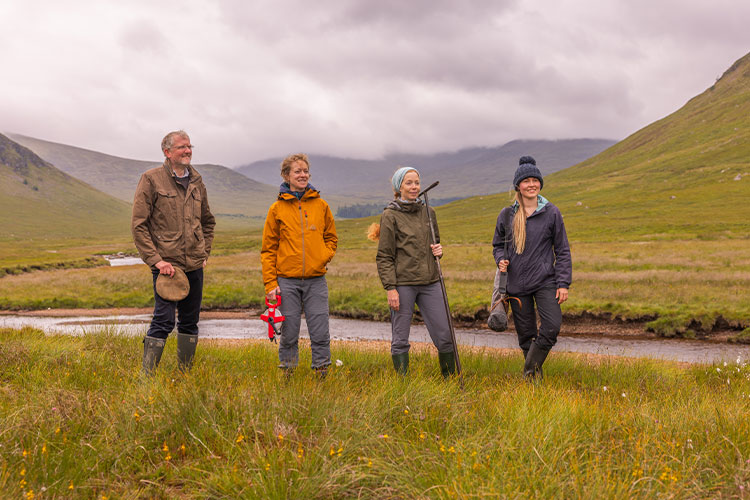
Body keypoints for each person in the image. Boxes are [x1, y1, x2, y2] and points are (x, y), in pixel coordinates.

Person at [132, 130, 215, 375]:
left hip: (194, 266)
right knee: (164, 321)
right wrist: (157, 261)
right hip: (167, 267)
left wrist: (204, 253)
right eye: (182, 147)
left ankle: (184, 375)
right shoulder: (151, 179)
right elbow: (139, 225)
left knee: (190, 322)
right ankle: (146, 377)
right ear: (167, 152)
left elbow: (208, 221)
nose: (188, 151)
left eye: (190, 146)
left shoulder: (197, 181)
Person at [369, 167, 455, 377]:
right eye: (409, 183)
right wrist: (391, 288)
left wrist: (439, 250)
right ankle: (403, 384)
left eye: (416, 182)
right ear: (399, 187)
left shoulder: (429, 212)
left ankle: (450, 380)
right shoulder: (390, 215)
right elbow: (385, 256)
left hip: (431, 282)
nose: (414, 187)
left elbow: (435, 245)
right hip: (403, 284)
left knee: (445, 335)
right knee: (400, 338)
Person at [492, 156, 572, 378]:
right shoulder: (507, 215)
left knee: (552, 326)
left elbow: (562, 249)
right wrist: (500, 259)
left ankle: (529, 371)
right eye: (526, 181)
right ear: (518, 185)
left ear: (540, 183)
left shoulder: (551, 213)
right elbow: (497, 245)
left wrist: (563, 283)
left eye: (534, 180)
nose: (531, 185)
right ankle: (534, 381)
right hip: (516, 284)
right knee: (526, 335)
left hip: (546, 281)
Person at [261, 153, 337, 375]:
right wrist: (270, 284)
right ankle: (287, 372)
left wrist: (323, 256)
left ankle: (322, 373)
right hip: (286, 281)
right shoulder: (276, 209)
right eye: (298, 171)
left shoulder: (321, 205)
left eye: (305, 171)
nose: (303, 175)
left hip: (316, 280)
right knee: (290, 331)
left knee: (320, 330)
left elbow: (331, 238)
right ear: (286, 175)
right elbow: (268, 250)